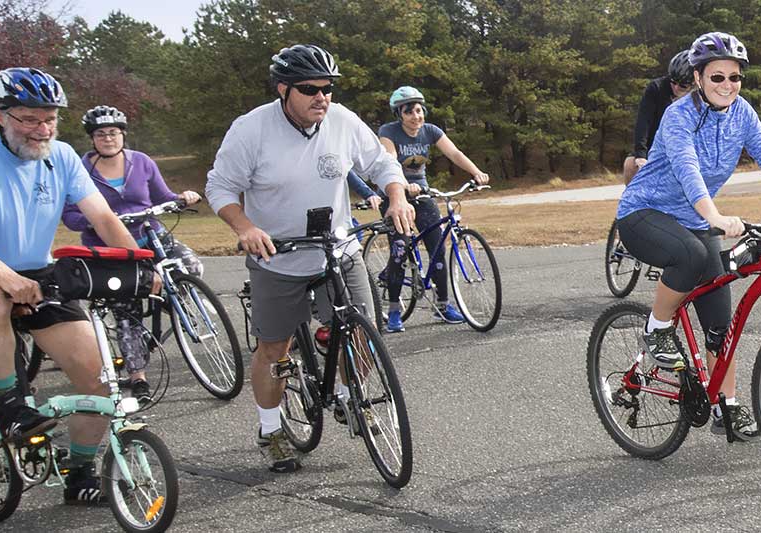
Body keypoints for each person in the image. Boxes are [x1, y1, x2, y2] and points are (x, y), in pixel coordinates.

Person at [0, 67, 148, 504]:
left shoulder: (61, 155)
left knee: (99, 379)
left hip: (39, 273)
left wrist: (139, 266)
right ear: (2, 115)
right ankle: (8, 404)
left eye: (49, 118)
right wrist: (2, 273)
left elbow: (103, 218)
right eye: (29, 118)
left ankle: (80, 470)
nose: (41, 128)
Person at [205, 44, 415, 473]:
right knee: (274, 350)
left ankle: (344, 394)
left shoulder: (342, 121)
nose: (322, 97)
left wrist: (396, 198)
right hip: (278, 257)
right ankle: (270, 429)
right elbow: (221, 188)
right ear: (283, 89)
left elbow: (382, 164)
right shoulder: (251, 130)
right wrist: (246, 228)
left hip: (337, 250)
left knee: (361, 337)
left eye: (328, 88)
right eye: (310, 89)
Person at [615, 32, 761, 439]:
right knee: (690, 255)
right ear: (697, 77)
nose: (727, 86)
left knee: (720, 324)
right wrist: (715, 215)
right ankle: (657, 327)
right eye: (717, 78)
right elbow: (687, 168)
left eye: (734, 77)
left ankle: (726, 406)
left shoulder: (742, 113)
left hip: (696, 219)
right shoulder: (679, 116)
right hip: (644, 213)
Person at [60, 105, 204, 405]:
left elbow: (163, 196)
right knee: (125, 311)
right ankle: (138, 376)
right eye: (101, 134)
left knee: (190, 264)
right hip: (109, 248)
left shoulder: (141, 161)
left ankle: (172, 301)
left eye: (113, 133)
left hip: (151, 235)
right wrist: (95, 219)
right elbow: (70, 215)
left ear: (122, 134)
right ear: (92, 138)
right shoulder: (81, 169)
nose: (108, 139)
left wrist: (183, 198)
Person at [376, 86, 490, 332]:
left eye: (419, 111)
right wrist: (405, 185)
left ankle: (443, 304)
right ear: (399, 114)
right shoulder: (388, 131)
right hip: (395, 194)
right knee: (400, 248)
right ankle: (394, 311)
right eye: (409, 112)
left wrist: (476, 172)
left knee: (437, 247)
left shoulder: (431, 131)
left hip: (424, 193)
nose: (416, 116)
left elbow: (455, 153)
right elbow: (389, 159)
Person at [623, 50, 694, 180]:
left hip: (683, 149)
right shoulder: (656, 88)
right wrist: (640, 154)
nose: (676, 87)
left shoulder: (698, 98)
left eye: (683, 86)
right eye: (673, 82)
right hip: (654, 145)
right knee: (630, 166)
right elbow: (644, 121)